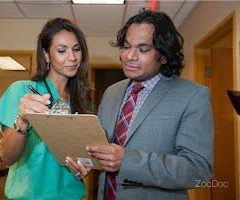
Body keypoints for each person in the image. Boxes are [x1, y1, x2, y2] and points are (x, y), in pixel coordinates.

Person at [70, 10, 214, 199]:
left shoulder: (193, 96)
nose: (130, 56)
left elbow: (198, 171)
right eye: (126, 46)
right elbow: (103, 146)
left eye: (143, 49)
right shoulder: (111, 92)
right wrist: (85, 161)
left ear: (163, 56)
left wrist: (127, 161)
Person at [0, 18, 92, 199]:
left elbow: (81, 157)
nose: (72, 57)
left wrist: (82, 167)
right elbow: (6, 157)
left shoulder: (82, 100)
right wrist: (23, 120)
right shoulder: (21, 91)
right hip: (30, 195)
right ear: (46, 55)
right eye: (62, 50)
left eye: (77, 49)